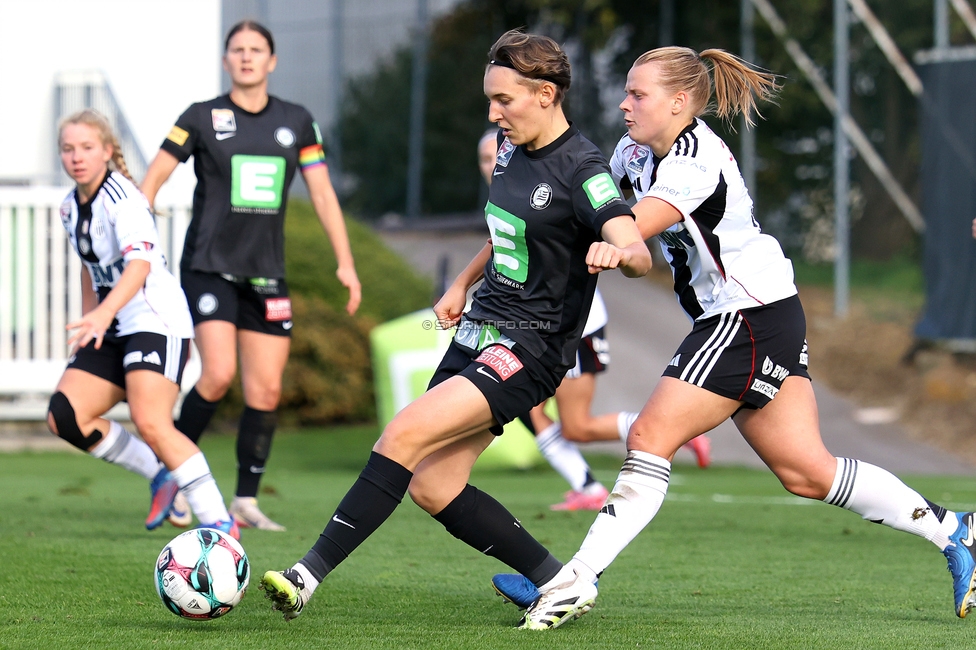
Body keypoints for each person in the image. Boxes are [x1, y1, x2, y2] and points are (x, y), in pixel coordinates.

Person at [509, 46, 976, 629]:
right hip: (760, 314)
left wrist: (614, 242)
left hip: (748, 316)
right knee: (807, 472)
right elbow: (608, 216)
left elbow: (635, 227)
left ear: (679, 102)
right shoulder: (633, 152)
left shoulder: (695, 157)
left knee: (652, 435)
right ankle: (955, 529)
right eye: (626, 92)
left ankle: (572, 579)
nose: (625, 105)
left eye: (638, 94)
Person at [258, 29, 652, 622]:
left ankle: (305, 576)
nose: (493, 114)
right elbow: (505, 234)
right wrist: (462, 283)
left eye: (505, 100)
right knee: (433, 485)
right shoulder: (510, 147)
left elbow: (638, 250)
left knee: (401, 435)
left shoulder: (585, 169)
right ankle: (561, 581)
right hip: (480, 329)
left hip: (533, 347)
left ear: (546, 94)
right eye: (489, 100)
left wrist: (617, 252)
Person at [141, 20, 362, 531]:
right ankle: (171, 475)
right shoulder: (200, 117)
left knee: (264, 392)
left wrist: (345, 262)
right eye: (237, 50)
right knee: (217, 376)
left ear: (272, 60)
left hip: (267, 274)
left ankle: (245, 500)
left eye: (256, 50)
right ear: (226, 61)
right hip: (209, 268)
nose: (246, 57)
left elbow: (324, 195)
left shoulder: (297, 121)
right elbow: (153, 179)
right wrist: (141, 241)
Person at [482, 128, 711, 514]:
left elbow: (627, 244)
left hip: (573, 324)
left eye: (496, 156)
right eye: (485, 161)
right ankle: (585, 484)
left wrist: (620, 249)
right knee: (525, 407)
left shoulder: (559, 177)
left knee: (575, 425)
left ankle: (666, 430)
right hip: (525, 323)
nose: (493, 165)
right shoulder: (506, 197)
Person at [49, 109, 238, 538]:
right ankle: (161, 475)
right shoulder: (68, 207)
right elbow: (89, 266)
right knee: (65, 416)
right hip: (113, 323)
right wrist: (88, 319)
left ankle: (220, 525)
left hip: (157, 319)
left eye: (87, 148)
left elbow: (138, 266)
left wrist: (103, 312)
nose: (76, 157)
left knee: (151, 422)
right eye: (67, 149)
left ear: (108, 151)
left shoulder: (124, 199)